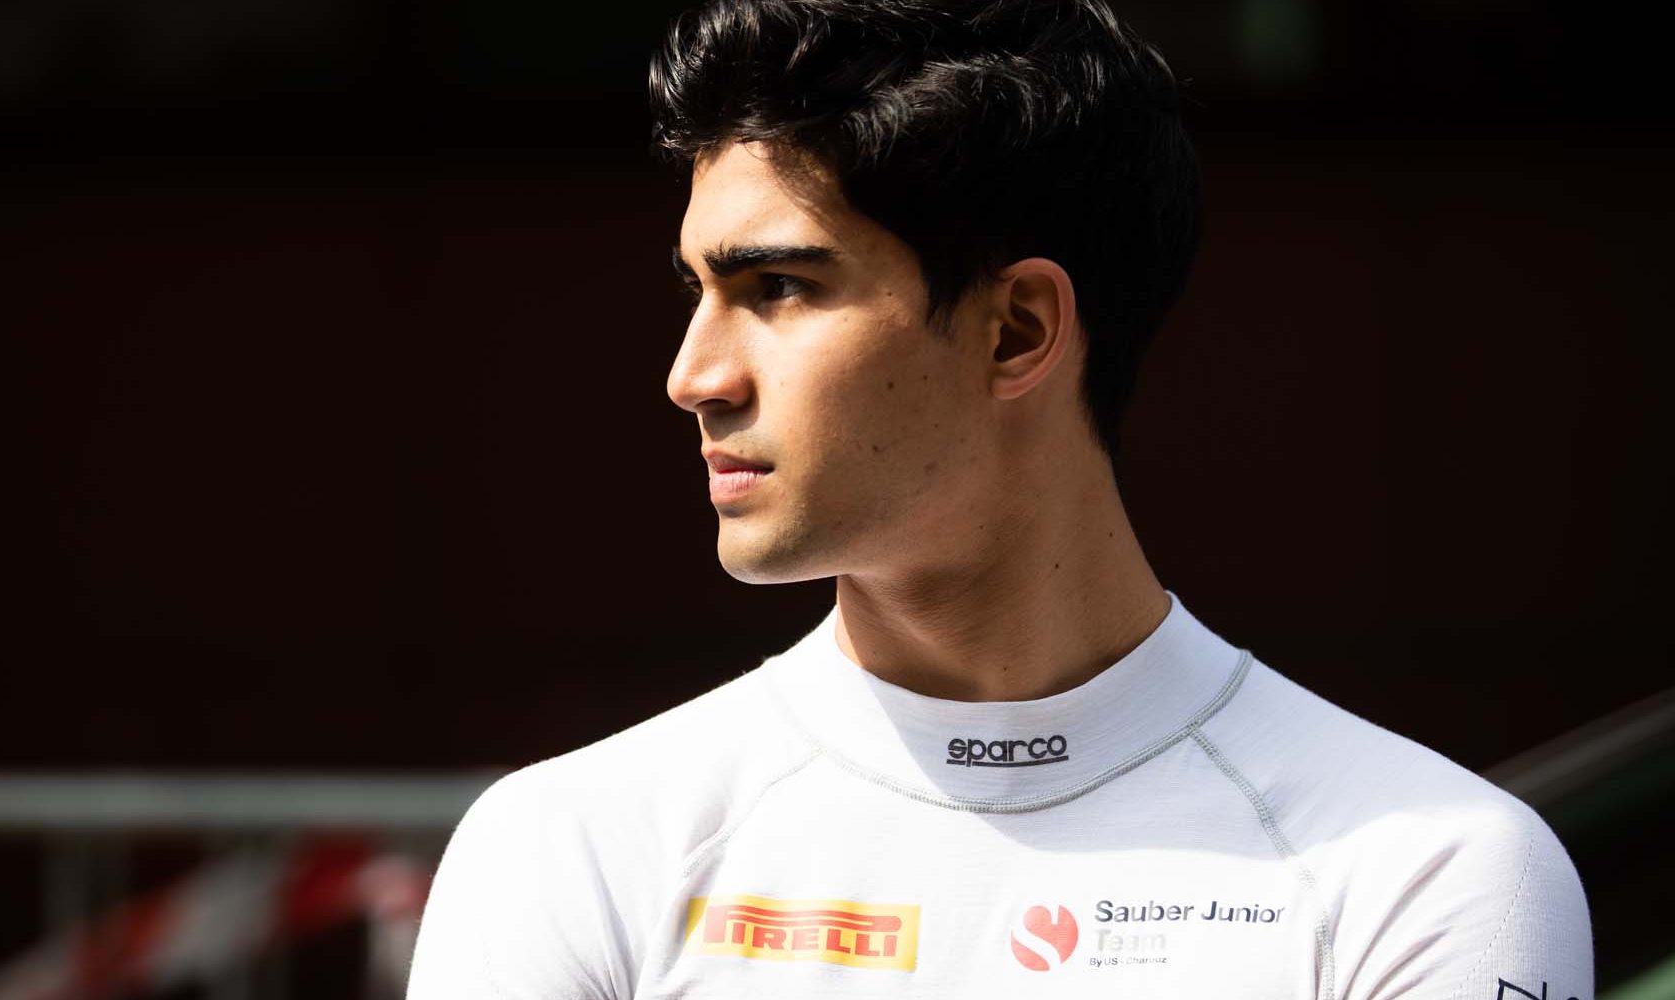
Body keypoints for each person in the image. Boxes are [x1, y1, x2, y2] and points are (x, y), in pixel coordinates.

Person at [406, 0, 1594, 995]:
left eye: (776, 287)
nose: (694, 376)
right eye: (697, 291)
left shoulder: (1432, 870)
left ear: (1018, 328)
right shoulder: (567, 848)